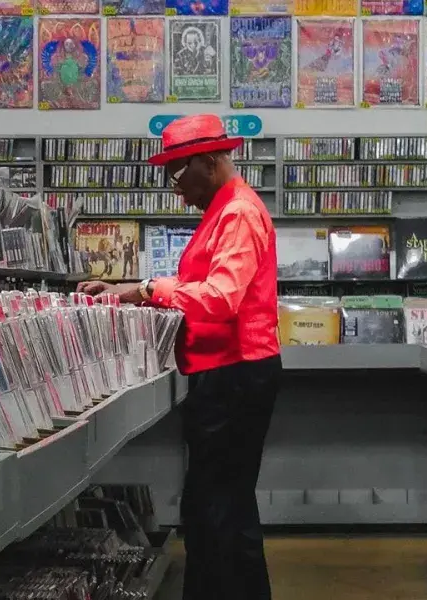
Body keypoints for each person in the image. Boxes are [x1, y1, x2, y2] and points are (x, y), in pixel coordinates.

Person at [77, 114, 280, 600]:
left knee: (219, 512)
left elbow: (219, 297)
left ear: (208, 163)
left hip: (235, 374)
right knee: (218, 510)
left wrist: (148, 288)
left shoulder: (238, 213)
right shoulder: (222, 211)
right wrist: (132, 292)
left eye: (177, 173)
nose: (174, 188)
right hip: (225, 373)